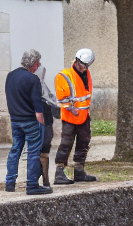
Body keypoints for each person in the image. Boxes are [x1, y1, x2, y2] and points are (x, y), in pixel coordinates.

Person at [5, 51, 51, 196]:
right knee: (33, 152)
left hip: (15, 119)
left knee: (15, 149)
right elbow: (37, 104)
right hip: (30, 120)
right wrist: (42, 121)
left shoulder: (10, 75)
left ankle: (9, 182)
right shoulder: (33, 79)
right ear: (35, 64)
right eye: (38, 64)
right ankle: (32, 185)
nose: (38, 66)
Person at [54, 48, 96, 184]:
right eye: (83, 65)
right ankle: (59, 172)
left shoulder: (86, 74)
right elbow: (62, 98)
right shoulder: (64, 75)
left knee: (83, 142)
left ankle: (79, 170)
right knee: (66, 144)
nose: (85, 68)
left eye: (87, 66)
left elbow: (85, 95)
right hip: (70, 116)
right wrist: (71, 108)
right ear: (77, 61)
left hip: (84, 116)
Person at [35, 55, 59, 188]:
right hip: (41, 122)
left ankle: (46, 179)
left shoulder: (44, 87)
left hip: (48, 121)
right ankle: (38, 178)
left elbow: (51, 101)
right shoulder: (35, 87)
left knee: (46, 149)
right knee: (40, 149)